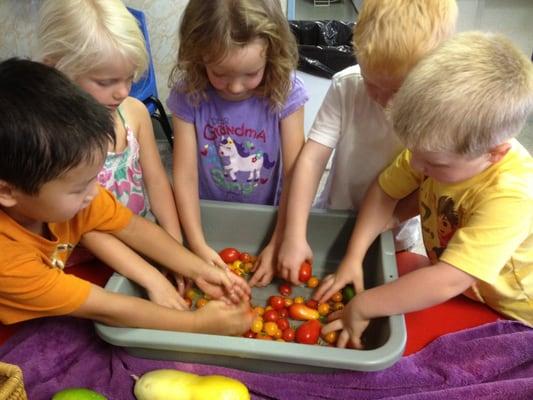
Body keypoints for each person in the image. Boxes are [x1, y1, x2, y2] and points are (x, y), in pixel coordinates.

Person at [0, 58, 253, 335]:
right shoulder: (7, 260)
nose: (95, 193)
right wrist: (197, 324)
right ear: (7, 191)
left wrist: (199, 270)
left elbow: (133, 227)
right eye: (79, 188)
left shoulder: (73, 195)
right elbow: (106, 307)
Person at [318, 32, 533, 348]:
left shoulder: (512, 195)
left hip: (513, 310)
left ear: (494, 153)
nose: (416, 167)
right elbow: (385, 191)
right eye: (412, 152)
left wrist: (364, 304)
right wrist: (354, 255)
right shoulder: (432, 148)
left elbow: (450, 279)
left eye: (434, 163)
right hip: (462, 287)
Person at [277, 0, 458, 286]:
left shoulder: (440, 110)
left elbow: (430, 182)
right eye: (371, 82)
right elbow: (311, 160)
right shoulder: (346, 87)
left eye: (398, 90)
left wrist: (393, 217)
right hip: (334, 217)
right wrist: (294, 234)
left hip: (394, 232)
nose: (383, 101)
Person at [37, 0, 184, 285]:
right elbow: (86, 227)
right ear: (55, 68)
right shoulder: (53, 138)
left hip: (139, 243)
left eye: (129, 78)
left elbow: (156, 183)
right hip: (82, 261)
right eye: (105, 82)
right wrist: (150, 274)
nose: (123, 91)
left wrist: (173, 247)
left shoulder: (134, 113)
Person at [167, 0, 308, 287]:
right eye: (219, 74)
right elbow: (184, 175)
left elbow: (297, 172)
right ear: (198, 56)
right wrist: (197, 245)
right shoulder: (188, 93)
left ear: (272, 55)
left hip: (268, 214)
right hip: (207, 216)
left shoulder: (285, 90)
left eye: (251, 74)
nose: (235, 86)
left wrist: (280, 238)